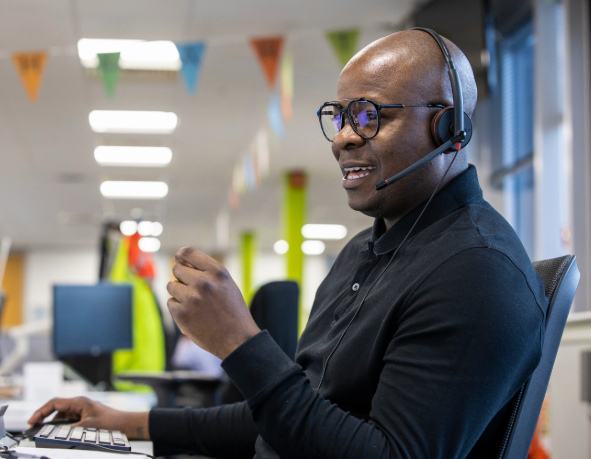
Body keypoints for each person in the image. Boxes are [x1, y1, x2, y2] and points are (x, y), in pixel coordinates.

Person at [29, 30, 547, 459]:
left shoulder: (476, 271)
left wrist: (239, 342)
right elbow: (287, 414)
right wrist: (129, 421)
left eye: (369, 115)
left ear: (447, 127)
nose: (342, 136)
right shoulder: (363, 255)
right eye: (339, 116)